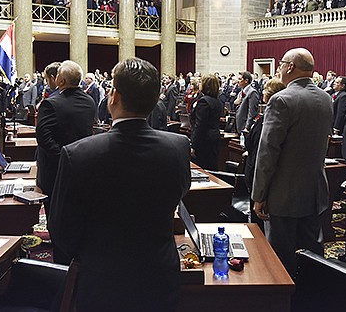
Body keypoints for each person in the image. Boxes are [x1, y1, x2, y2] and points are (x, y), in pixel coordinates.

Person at [48, 58, 190, 312]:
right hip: (158, 273)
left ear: (114, 97)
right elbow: (179, 193)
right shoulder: (178, 147)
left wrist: (91, 254)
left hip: (101, 278)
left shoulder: (77, 154)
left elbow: (60, 228)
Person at [252, 48, 333, 276]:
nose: (278, 68)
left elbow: (268, 152)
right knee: (312, 254)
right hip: (315, 190)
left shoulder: (281, 100)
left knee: (280, 257)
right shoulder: (326, 98)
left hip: (283, 193)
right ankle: (311, 298)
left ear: (289, 67)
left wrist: (259, 195)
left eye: (281, 63)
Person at [35, 60, 95, 225]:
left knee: (55, 214)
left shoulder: (50, 104)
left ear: (60, 81)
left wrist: (63, 157)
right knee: (76, 211)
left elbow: (43, 138)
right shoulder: (90, 102)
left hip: (55, 168)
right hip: (82, 165)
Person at [189, 74, 223, 170]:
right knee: (212, 166)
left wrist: (194, 146)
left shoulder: (204, 102)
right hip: (214, 138)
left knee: (202, 168)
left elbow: (200, 126)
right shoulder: (217, 101)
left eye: (201, 82)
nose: (199, 84)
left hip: (204, 141)